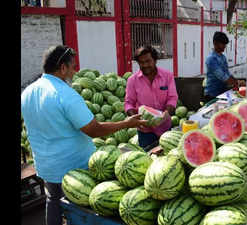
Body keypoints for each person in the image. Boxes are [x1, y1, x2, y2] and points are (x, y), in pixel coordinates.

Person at [21, 45, 148, 225]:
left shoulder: (27, 92)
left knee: (52, 201)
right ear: (62, 68)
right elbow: (93, 129)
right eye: (73, 66)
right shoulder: (65, 94)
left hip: (46, 165)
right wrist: (126, 124)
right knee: (77, 211)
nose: (75, 70)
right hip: (72, 167)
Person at [125, 46, 178, 150]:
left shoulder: (167, 76)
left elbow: (172, 98)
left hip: (165, 128)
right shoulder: (132, 80)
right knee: (148, 157)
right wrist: (134, 118)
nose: (145, 65)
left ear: (155, 60)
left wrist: (166, 113)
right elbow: (128, 103)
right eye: (141, 62)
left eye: (148, 61)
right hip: (145, 130)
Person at [203, 31, 243, 103]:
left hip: (222, 93)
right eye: (222, 44)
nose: (224, 46)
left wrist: (237, 81)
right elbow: (223, 77)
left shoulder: (223, 57)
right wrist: (237, 83)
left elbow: (227, 73)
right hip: (212, 94)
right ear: (215, 43)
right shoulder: (211, 59)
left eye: (225, 44)